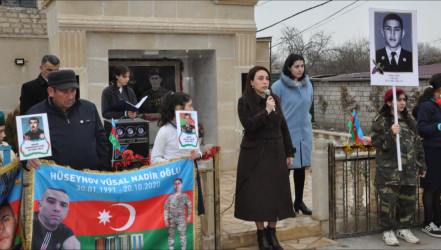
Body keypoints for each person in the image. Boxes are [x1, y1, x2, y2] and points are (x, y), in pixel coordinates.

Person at [235, 66, 295, 250]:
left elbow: (282, 126)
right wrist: (266, 110)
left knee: (275, 194)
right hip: (254, 155)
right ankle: (261, 234)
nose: (265, 82)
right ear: (251, 82)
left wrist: (289, 151)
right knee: (258, 195)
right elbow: (250, 125)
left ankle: (272, 232)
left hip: (275, 152)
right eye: (260, 78)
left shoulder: (274, 99)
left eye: (267, 78)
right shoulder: (244, 102)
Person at [25, 69, 110, 171]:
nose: (70, 96)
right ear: (51, 92)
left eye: (73, 90)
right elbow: (27, 153)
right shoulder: (35, 114)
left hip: (90, 179)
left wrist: (105, 169)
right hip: (56, 182)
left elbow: (102, 140)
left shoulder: (89, 108)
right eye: (65, 92)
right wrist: (27, 161)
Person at [371, 88, 426, 246]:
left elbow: (417, 145)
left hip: (409, 170)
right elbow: (377, 143)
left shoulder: (410, 121)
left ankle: (404, 228)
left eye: (404, 100)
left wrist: (421, 165)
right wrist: (390, 133)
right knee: (387, 202)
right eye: (398, 99)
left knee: (408, 201)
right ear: (389, 103)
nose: (402, 102)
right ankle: (388, 231)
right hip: (389, 171)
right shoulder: (381, 120)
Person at [272, 54, 313, 216]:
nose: (300, 69)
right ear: (289, 67)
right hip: (286, 133)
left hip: (304, 132)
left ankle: (299, 201)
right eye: (297, 66)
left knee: (301, 168)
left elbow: (309, 106)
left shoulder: (308, 85)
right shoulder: (278, 87)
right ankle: (283, 203)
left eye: (302, 66)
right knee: (286, 169)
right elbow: (274, 112)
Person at [412, 73, 441, 237]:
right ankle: (428, 223)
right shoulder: (425, 106)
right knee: (430, 187)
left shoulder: (439, 105)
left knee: (438, 188)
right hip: (430, 151)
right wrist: (438, 127)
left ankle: (438, 221)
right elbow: (421, 128)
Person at [151, 92, 201, 164]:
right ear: (179, 108)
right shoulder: (164, 131)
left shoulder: (191, 127)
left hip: (192, 171)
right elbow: (154, 159)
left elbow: (198, 150)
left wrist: (198, 154)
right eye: (190, 106)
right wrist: (175, 164)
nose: (192, 110)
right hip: (175, 173)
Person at [164, 178, 192, 250]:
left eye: (178, 183)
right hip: (172, 218)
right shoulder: (170, 197)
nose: (177, 185)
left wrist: (189, 216)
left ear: (181, 185)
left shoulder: (185, 196)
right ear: (173, 185)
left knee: (182, 235)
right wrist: (166, 220)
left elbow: (189, 206)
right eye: (175, 184)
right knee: (170, 235)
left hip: (181, 218)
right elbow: (166, 208)